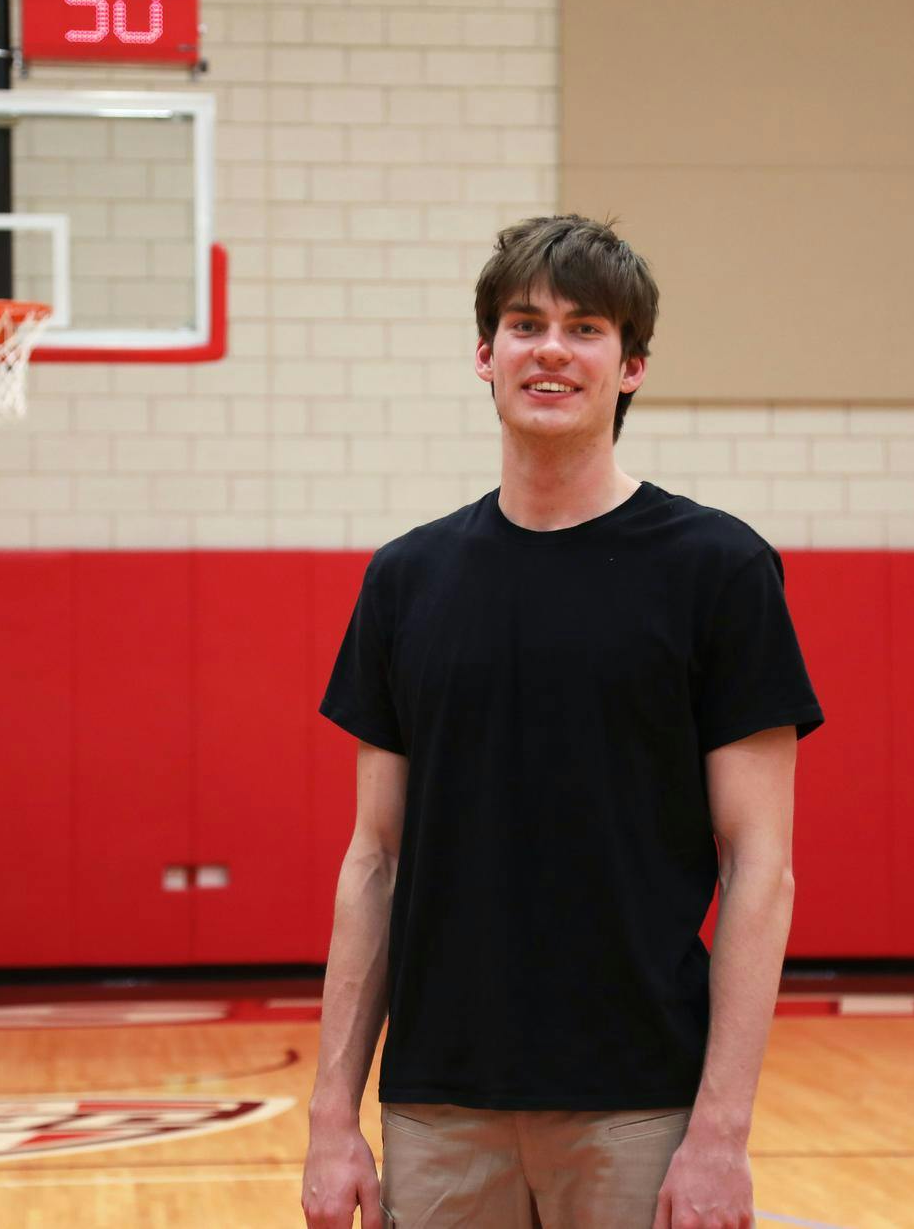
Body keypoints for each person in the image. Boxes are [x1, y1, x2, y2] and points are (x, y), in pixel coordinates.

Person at [301, 214, 823, 1229]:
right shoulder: (406, 579)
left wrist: (719, 1131)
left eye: (584, 327)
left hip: (639, 1102)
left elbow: (761, 862)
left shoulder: (717, 570)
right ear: (484, 354)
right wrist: (331, 1115)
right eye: (523, 322)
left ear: (629, 365)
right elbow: (371, 859)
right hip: (435, 1102)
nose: (549, 347)